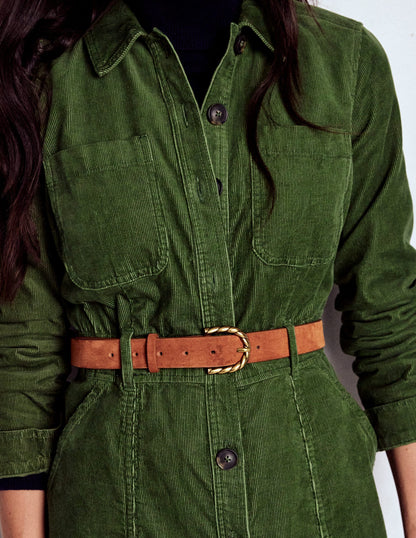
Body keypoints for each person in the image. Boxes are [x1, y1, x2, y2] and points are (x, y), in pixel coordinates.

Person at [0, 0, 415, 536]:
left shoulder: (344, 62)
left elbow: (390, 311)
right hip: (119, 506)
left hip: (311, 502)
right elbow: (23, 350)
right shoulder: (44, 77)